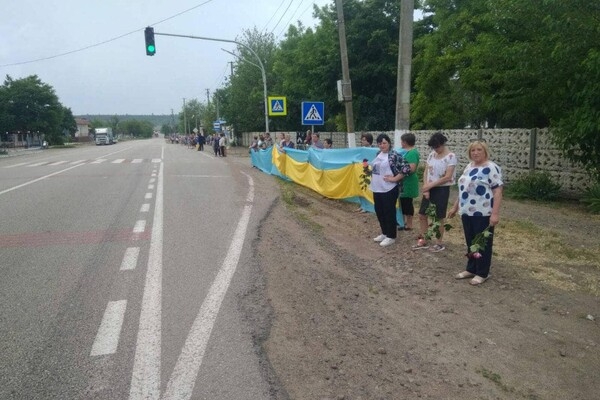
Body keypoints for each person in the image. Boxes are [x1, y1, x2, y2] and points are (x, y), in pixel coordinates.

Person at [448, 140, 503, 285]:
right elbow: (464, 189)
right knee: (471, 242)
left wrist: (495, 214)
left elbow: (497, 192)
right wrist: (455, 207)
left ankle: (482, 272)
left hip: (483, 212)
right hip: (467, 211)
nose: (476, 153)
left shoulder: (491, 167)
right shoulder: (469, 166)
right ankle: (471, 268)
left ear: (485, 151)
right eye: (473, 150)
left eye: (479, 150)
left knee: (482, 243)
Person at [412, 132, 457, 252]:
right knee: (422, 214)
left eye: (437, 146)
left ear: (443, 144)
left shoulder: (451, 156)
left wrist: (431, 185)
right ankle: (424, 239)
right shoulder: (432, 155)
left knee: (438, 217)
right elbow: (426, 171)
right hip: (429, 187)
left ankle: (439, 242)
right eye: (433, 147)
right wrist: (426, 187)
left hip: (441, 189)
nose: (435, 149)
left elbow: (447, 177)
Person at [371, 134, 408, 247]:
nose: (382, 145)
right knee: (379, 211)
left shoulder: (394, 155)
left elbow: (406, 168)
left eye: (384, 143)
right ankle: (384, 232)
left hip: (389, 189)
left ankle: (391, 236)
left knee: (389, 212)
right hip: (377, 188)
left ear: (389, 143)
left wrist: (395, 179)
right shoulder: (378, 154)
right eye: (380, 143)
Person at [398, 133, 420, 230]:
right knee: (402, 203)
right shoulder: (406, 152)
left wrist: (399, 172)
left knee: (407, 203)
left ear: (405, 142)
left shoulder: (412, 153)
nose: (401, 143)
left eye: (402, 141)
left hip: (409, 182)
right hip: (403, 181)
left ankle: (409, 224)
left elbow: (412, 169)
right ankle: (402, 222)